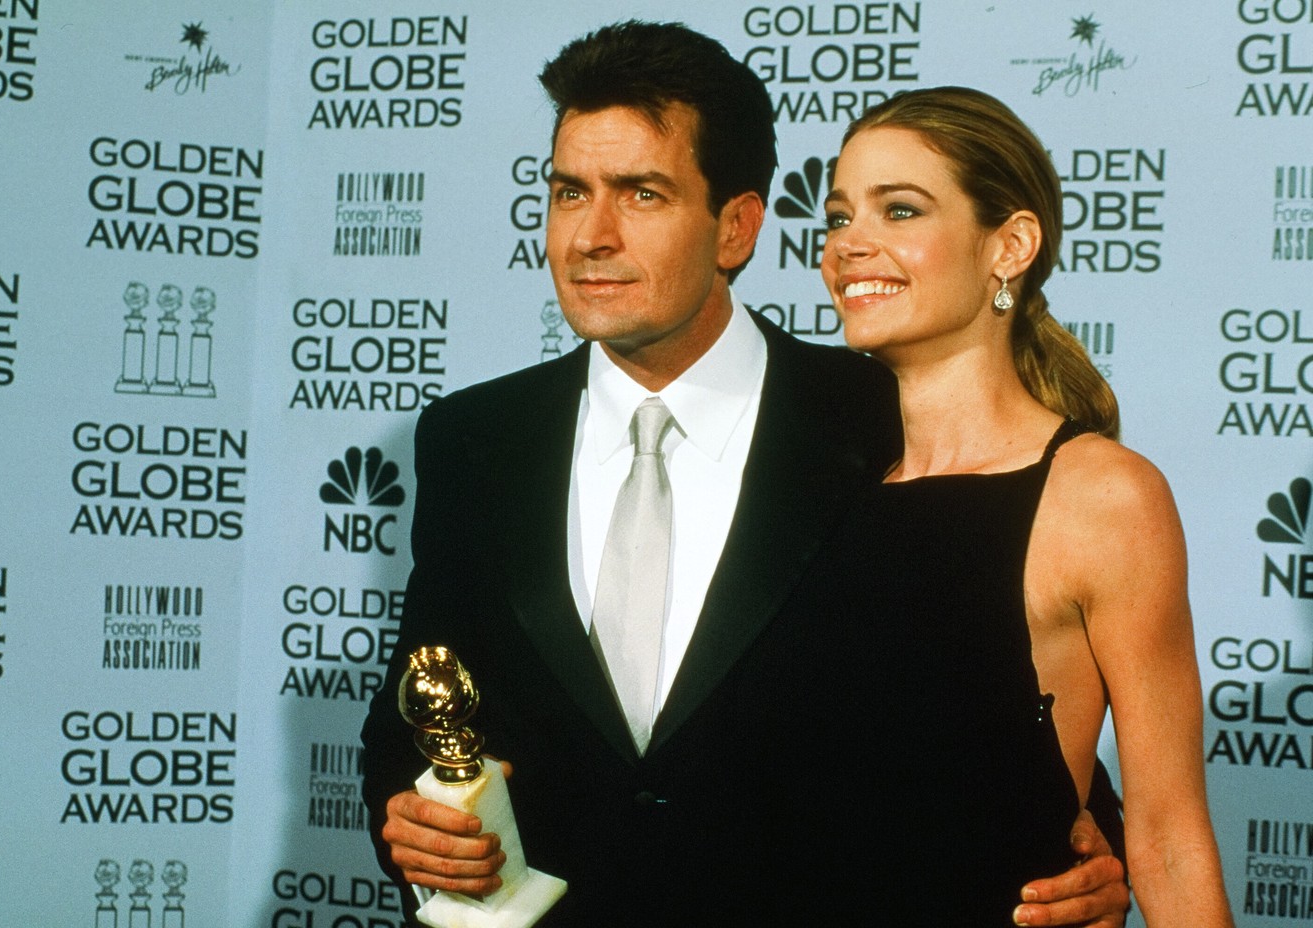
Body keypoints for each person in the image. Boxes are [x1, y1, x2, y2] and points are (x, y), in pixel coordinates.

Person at [361, 22, 1130, 927]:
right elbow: (419, 702)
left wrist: (1083, 850)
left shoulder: (882, 420)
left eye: (641, 194)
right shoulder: (474, 439)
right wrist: (407, 819)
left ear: (736, 227)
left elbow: (998, 709)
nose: (591, 237)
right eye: (570, 193)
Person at [808, 85, 1232, 925]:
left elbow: (1170, 837)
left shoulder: (1101, 497)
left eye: (900, 210)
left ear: (1010, 245)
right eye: (839, 216)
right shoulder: (811, 479)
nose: (850, 243)